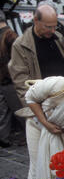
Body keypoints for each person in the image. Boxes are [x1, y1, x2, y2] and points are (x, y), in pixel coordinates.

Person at [8, 3, 64, 106]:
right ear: (36, 21)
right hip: (43, 103)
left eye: (55, 26)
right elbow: (21, 83)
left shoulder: (58, 37)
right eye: (48, 27)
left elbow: (61, 61)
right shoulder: (21, 45)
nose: (53, 31)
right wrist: (33, 111)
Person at [0, 11, 26, 147]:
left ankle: (29, 136)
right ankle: (3, 139)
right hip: (5, 79)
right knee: (4, 110)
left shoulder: (10, 36)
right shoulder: (10, 35)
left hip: (10, 80)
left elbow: (18, 60)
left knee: (19, 110)